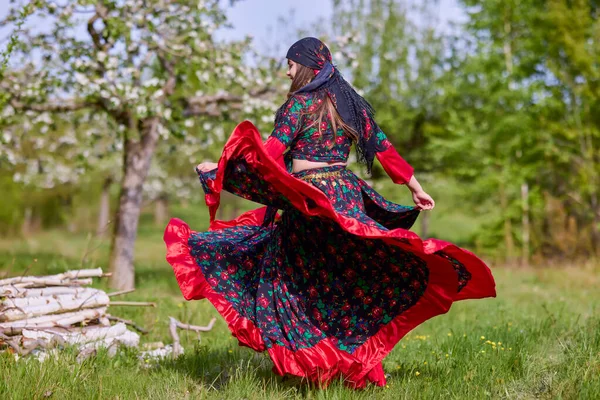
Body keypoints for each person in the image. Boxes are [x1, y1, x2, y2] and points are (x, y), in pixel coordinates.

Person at [164, 37, 496, 389]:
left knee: (297, 280)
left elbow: (270, 154)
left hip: (311, 198)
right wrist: (413, 184)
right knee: (342, 278)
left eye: (290, 63)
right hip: (343, 194)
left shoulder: (299, 106)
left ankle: (314, 365)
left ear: (306, 64)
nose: (287, 70)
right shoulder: (349, 105)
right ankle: (349, 364)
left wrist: (219, 169)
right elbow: (382, 145)